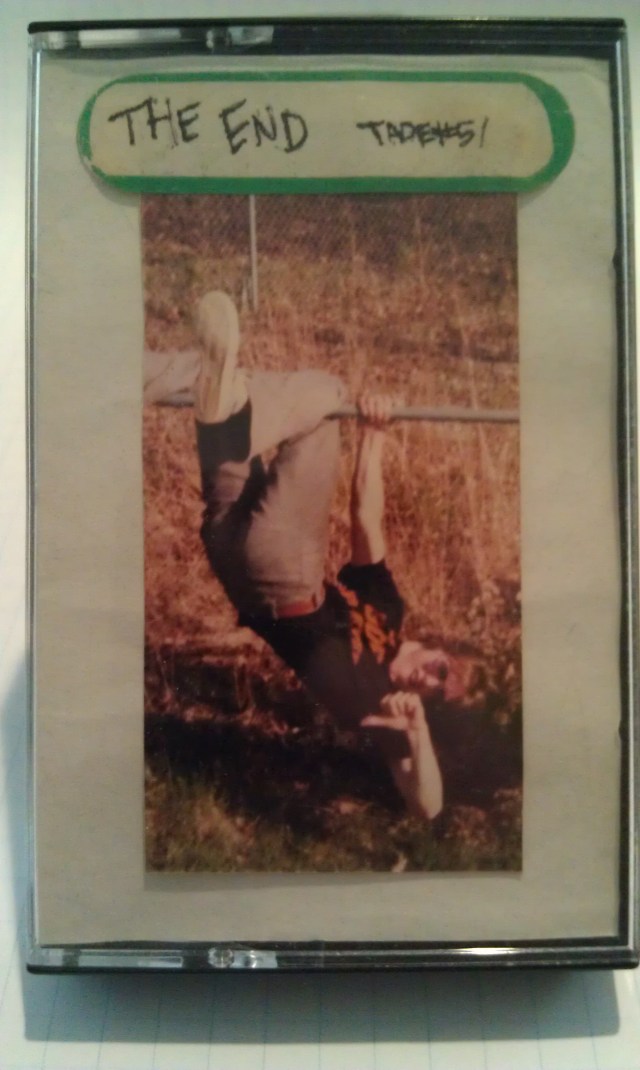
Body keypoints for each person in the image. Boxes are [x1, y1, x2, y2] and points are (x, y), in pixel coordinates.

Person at [193, 290, 457, 821]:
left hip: (278, 574)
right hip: (248, 561)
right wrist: (373, 435)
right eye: (443, 670)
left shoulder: (380, 705)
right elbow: (365, 519)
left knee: (327, 397)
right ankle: (226, 409)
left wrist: (418, 733)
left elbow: (426, 807)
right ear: (439, 647)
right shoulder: (387, 610)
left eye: (436, 695)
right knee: (239, 420)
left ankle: (236, 408)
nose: (428, 682)